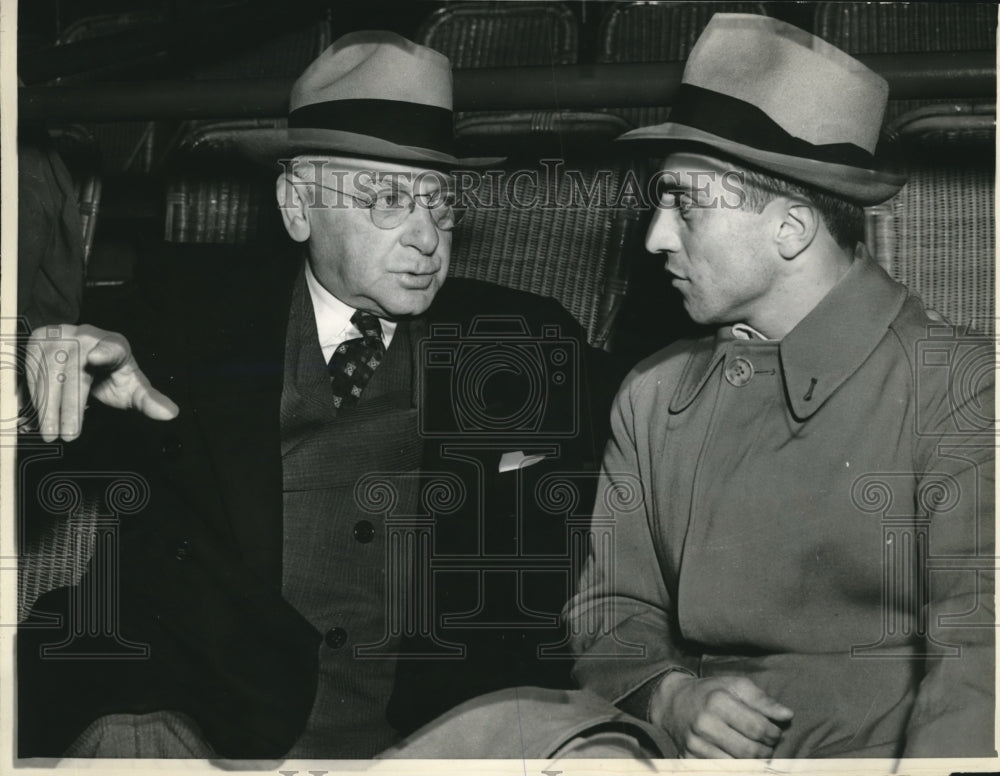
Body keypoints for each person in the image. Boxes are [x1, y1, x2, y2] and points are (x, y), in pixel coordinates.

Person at [382, 13, 995, 760]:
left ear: (792, 227)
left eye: (686, 203)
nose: (655, 237)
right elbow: (611, 611)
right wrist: (671, 697)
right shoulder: (654, 394)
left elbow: (981, 660)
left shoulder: (962, 391)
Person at [18, 31, 614, 759]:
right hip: (206, 733)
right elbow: (73, 460)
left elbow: (656, 419)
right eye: (389, 199)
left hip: (429, 742)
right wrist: (31, 374)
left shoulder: (523, 343)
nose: (428, 236)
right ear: (297, 205)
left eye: (441, 200)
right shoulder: (182, 320)